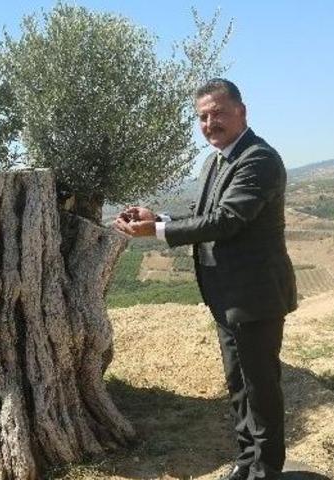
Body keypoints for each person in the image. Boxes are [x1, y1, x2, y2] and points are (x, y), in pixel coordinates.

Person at [114, 78, 297, 480]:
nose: (210, 122)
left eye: (218, 113)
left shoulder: (259, 159)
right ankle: (246, 461)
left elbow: (226, 221)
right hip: (225, 295)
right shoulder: (214, 161)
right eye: (202, 116)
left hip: (255, 296)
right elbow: (204, 215)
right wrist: (159, 219)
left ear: (242, 112)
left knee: (261, 389)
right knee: (238, 385)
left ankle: (266, 470)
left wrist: (157, 234)